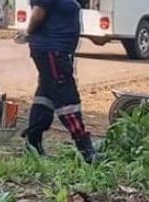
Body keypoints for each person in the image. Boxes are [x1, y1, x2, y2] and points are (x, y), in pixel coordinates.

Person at [19, 0, 96, 162]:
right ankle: (86, 150)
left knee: (46, 94)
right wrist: (27, 32)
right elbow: (38, 13)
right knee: (67, 98)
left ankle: (32, 142)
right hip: (52, 50)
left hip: (57, 50)